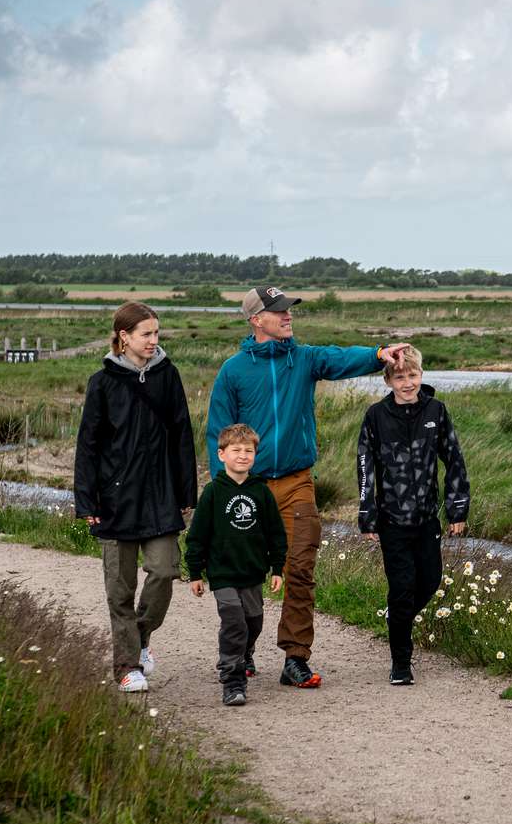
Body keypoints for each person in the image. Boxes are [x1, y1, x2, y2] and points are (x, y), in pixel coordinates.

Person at [205, 286, 408, 689]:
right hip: (249, 487)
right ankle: (242, 649)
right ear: (255, 320)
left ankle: (295, 657)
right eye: (278, 310)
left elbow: (338, 358)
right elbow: (218, 434)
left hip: (297, 483)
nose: (287, 316)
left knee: (299, 568)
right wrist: (224, 490)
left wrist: (377, 354)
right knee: (246, 574)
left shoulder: (304, 358)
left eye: (288, 309)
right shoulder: (234, 371)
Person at [74, 301, 196, 693]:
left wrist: (185, 492)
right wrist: (87, 501)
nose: (153, 341)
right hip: (115, 501)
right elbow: (88, 445)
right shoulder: (102, 382)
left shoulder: (168, 376)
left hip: (160, 496)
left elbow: (182, 435)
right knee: (120, 587)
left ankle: (140, 638)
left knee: (164, 571)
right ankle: (127, 666)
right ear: (124, 337)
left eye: (156, 333)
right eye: (147, 334)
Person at [356, 344, 470, 685]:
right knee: (402, 589)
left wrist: (457, 508)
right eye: (400, 377)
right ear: (388, 380)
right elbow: (365, 467)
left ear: (421, 375)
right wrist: (367, 515)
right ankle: (401, 665)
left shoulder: (436, 410)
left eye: (413, 375)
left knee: (430, 581)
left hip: (426, 520)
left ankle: (397, 618)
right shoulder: (376, 416)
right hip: (392, 520)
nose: (408, 383)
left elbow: (454, 460)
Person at [185, 424, 287, 706]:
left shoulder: (262, 492)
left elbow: (276, 533)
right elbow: (197, 536)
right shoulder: (213, 492)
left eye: (248, 451)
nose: (242, 456)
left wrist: (277, 567)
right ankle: (232, 680)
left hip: (253, 572)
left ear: (255, 455)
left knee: (253, 623)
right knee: (234, 623)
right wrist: (195, 572)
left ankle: (245, 652)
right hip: (222, 574)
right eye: (236, 450)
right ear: (222, 454)